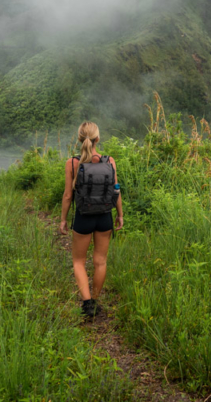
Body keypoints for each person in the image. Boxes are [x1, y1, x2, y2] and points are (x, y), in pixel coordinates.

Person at [59, 121, 124, 317]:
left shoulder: (72, 163)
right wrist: (119, 215)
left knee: (79, 261)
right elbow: (116, 191)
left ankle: (87, 304)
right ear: (98, 138)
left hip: (83, 218)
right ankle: (95, 301)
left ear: (80, 138)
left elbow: (68, 195)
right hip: (104, 217)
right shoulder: (109, 161)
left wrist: (63, 219)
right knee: (100, 262)